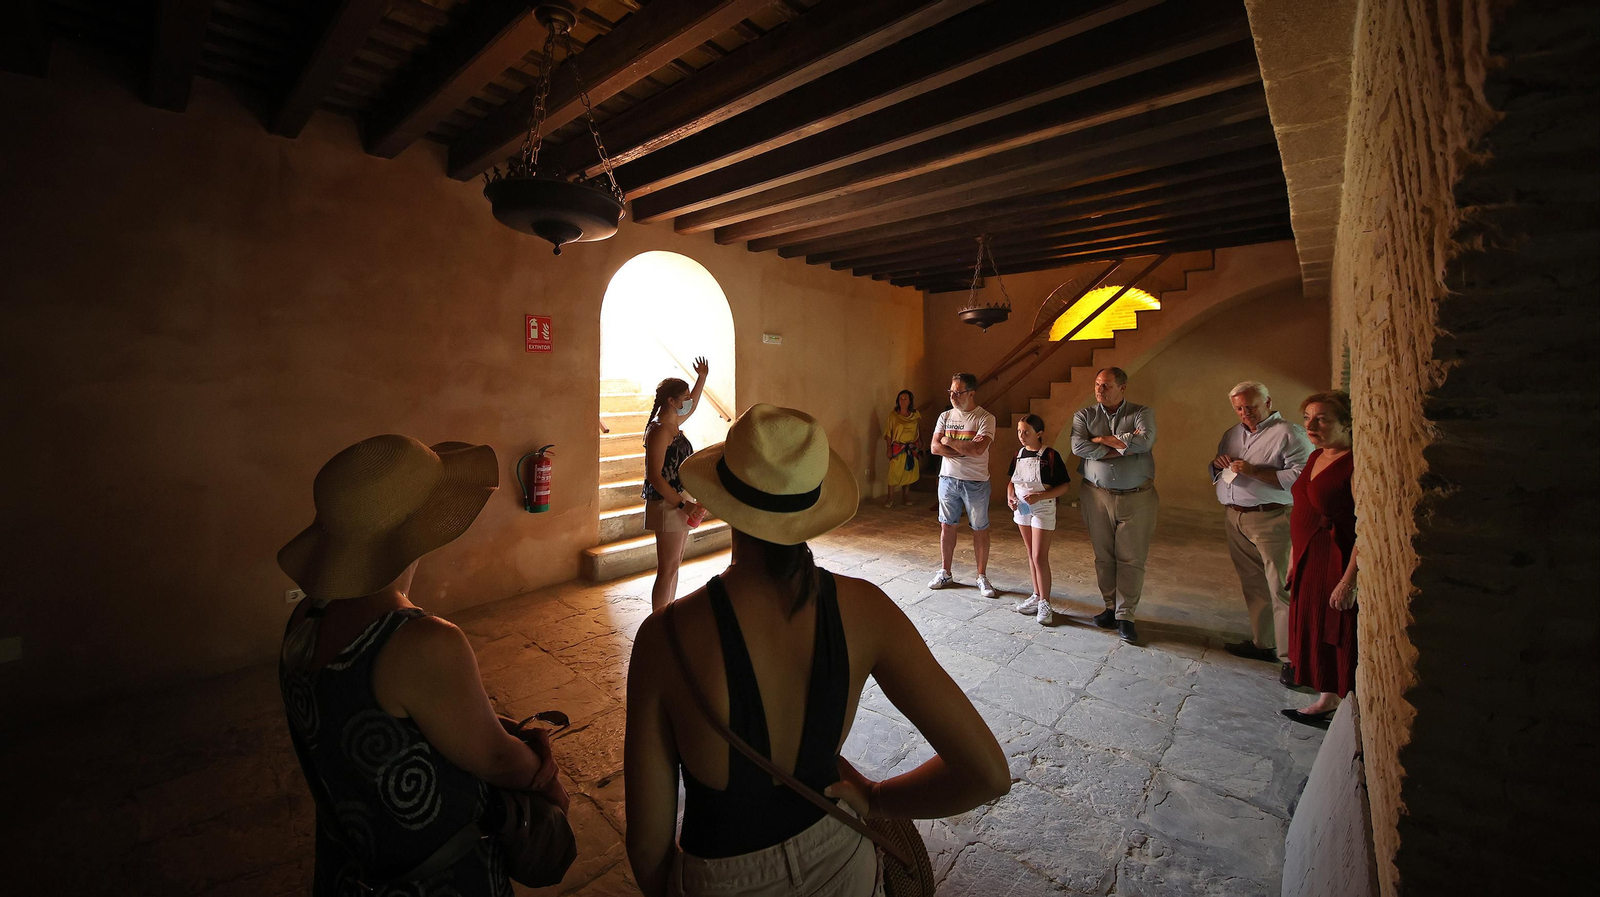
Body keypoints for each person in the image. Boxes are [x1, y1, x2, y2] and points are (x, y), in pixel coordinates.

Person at [624, 405, 1010, 897]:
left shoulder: (666, 639)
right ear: (812, 503)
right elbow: (988, 774)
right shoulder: (864, 611)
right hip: (841, 860)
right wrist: (875, 798)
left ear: (727, 500)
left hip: (721, 874)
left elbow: (647, 848)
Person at [276, 435, 564, 896]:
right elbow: (496, 759)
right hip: (433, 877)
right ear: (420, 528)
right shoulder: (421, 642)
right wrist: (541, 769)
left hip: (350, 866)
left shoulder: (305, 617)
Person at [1210, 381, 1313, 686]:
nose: (1245, 413)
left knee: (1281, 587)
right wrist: (1218, 465)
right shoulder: (1233, 433)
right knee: (1253, 584)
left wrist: (1254, 472)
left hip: (1271, 518)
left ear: (1268, 402)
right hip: (1236, 517)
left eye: (1251, 406)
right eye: (1239, 408)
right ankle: (1263, 643)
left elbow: (1300, 478)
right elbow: (1220, 468)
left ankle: (1293, 659)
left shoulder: (1290, 433)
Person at [1283, 391, 1359, 728]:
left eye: (1322, 419)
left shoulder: (1353, 464)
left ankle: (1338, 699)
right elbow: (1304, 509)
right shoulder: (1316, 457)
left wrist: (1349, 580)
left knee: (1334, 626)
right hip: (1308, 556)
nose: (1311, 425)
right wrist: (1293, 556)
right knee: (1311, 623)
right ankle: (1326, 695)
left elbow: (1365, 525)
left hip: (1334, 558)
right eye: (1308, 418)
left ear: (1347, 423)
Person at [1070, 367, 1157, 643]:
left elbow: (1145, 442)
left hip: (1136, 496)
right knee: (1103, 556)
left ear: (1122, 387)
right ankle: (1110, 607)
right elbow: (1077, 447)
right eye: (1097, 384)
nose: (1100, 390)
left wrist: (1098, 442)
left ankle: (1126, 615)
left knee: (1131, 558)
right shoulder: (1084, 415)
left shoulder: (1142, 413)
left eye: (1106, 385)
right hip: (1096, 495)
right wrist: (1122, 446)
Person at [643, 358, 710, 611]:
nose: (687, 401)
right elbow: (654, 476)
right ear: (671, 401)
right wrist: (683, 505)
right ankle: (658, 620)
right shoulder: (660, 430)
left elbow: (691, 407)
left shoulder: (673, 424)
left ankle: (667, 611)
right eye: (683, 397)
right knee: (667, 568)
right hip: (668, 503)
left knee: (675, 565)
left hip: (680, 501)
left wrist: (701, 377)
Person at [928, 373, 999, 598]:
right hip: (948, 479)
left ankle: (981, 576)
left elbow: (978, 450)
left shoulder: (985, 418)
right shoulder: (945, 416)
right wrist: (962, 448)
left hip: (976, 482)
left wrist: (949, 441)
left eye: (958, 393)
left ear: (971, 393)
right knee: (946, 525)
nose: (953, 397)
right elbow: (934, 448)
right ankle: (945, 571)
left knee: (979, 528)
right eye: (951, 392)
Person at [1007, 414, 1072, 626]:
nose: (1021, 436)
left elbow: (1064, 486)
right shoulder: (1018, 454)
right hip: (1022, 508)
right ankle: (1036, 595)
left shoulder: (1050, 456)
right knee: (1030, 553)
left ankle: (1045, 602)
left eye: (1026, 432)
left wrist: (1040, 497)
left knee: (1039, 556)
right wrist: (1010, 496)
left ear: (1039, 434)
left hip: (1042, 507)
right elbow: (1012, 481)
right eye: (1019, 431)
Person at [882, 389, 922, 507]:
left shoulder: (915, 414)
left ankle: (906, 496)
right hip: (898, 448)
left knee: (908, 472)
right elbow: (888, 433)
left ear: (910, 401)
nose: (902, 401)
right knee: (894, 473)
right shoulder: (893, 416)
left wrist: (921, 441)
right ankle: (890, 498)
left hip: (912, 447)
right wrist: (889, 447)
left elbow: (919, 428)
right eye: (900, 398)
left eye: (905, 399)